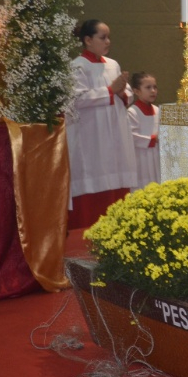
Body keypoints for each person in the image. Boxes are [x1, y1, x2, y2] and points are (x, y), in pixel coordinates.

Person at [65, 19, 138, 230]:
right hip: (91, 136)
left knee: (117, 187)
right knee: (92, 190)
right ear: (87, 40)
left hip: (115, 132)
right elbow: (75, 100)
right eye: (102, 37)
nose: (108, 41)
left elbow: (128, 95)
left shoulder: (112, 64)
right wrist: (109, 90)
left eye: (109, 37)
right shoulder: (78, 66)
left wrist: (123, 91)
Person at [127, 72, 160, 191]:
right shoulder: (132, 112)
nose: (153, 91)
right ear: (136, 91)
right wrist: (152, 139)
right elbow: (131, 137)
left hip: (156, 156)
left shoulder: (158, 110)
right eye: (148, 87)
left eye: (155, 87)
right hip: (141, 158)